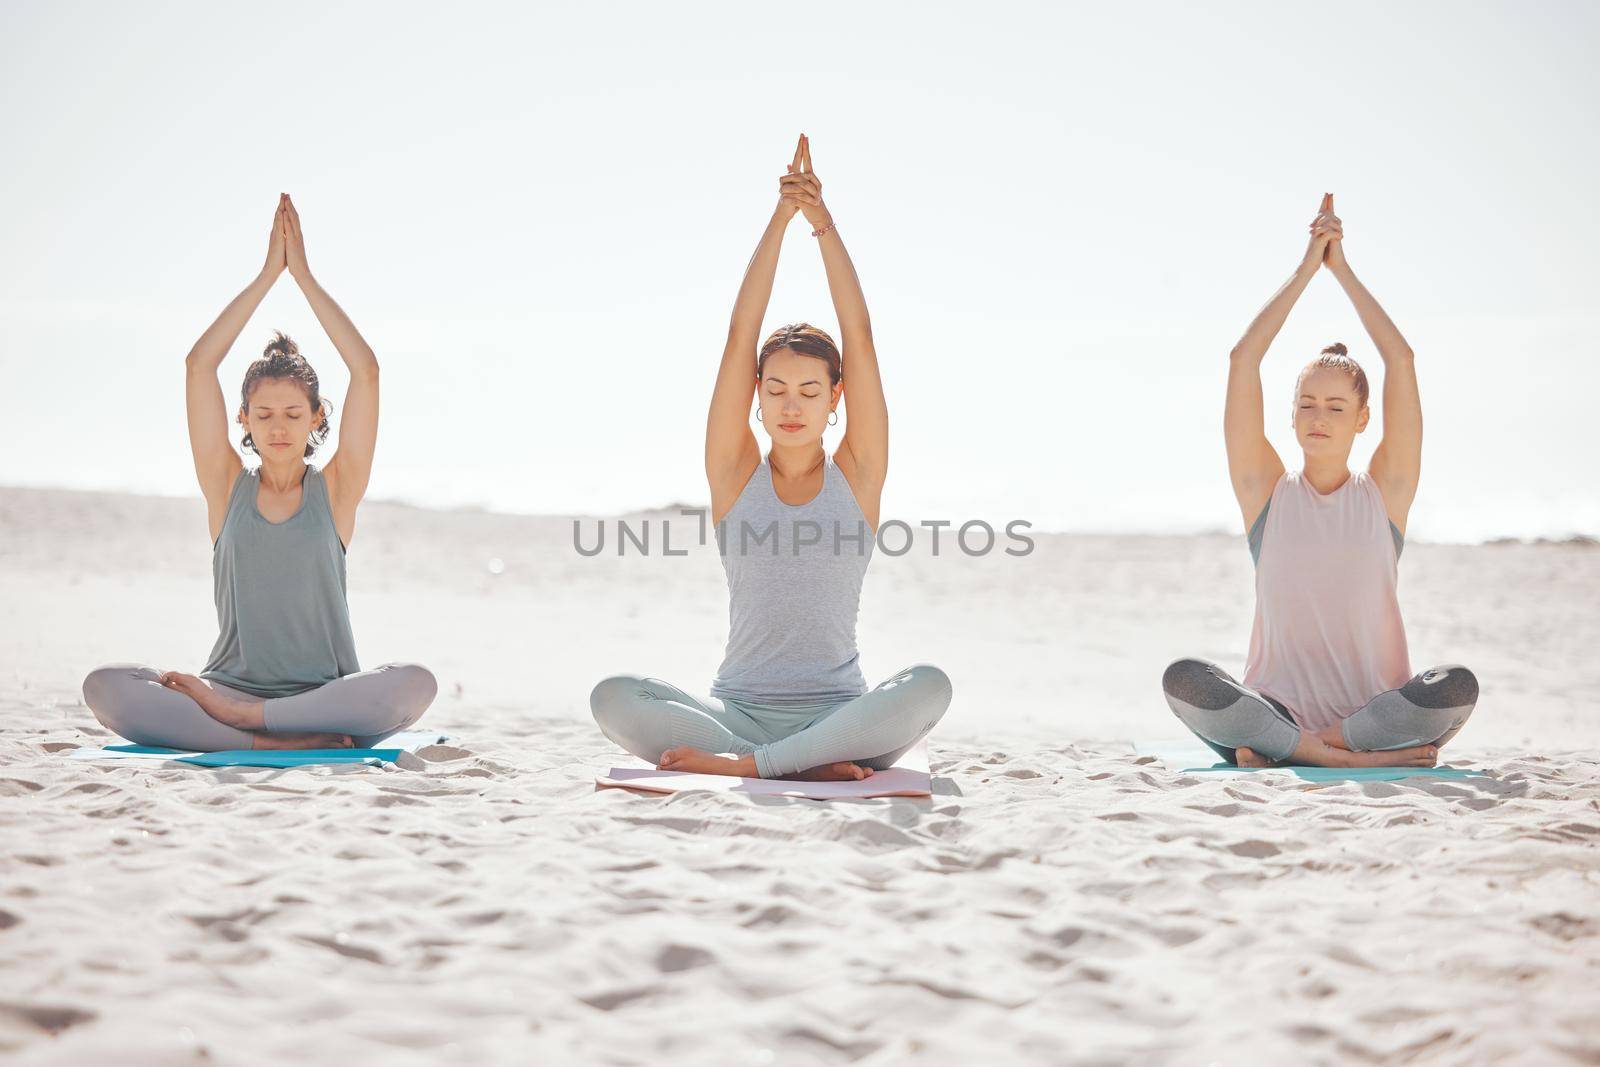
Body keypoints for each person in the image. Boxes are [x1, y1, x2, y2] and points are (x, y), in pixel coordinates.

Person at [591, 135, 952, 781]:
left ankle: (753, 769)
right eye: (777, 389)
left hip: (843, 714)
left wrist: (821, 224)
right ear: (756, 396)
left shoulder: (859, 473)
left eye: (810, 390)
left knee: (930, 684)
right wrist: (779, 218)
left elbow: (861, 339)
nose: (792, 405)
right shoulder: (734, 473)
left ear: (834, 397)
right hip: (736, 716)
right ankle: (793, 763)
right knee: (613, 693)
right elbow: (738, 336)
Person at [82, 194, 437, 751]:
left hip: (325, 693)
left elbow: (365, 369)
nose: (278, 428)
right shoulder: (226, 486)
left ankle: (252, 722)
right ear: (242, 418)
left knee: (416, 682)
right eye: (264, 414)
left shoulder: (337, 490)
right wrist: (268, 274)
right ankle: (271, 736)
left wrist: (304, 277)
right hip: (227, 689)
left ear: (318, 417)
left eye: (294, 414)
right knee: (105, 686)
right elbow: (199, 364)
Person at [1162, 194, 1479, 769]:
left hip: (1372, 717)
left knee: (1456, 685)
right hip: (1276, 711)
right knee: (1183, 679)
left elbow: (1400, 359)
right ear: (1291, 416)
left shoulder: (1385, 492)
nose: (1317, 417)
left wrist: (1342, 270)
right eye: (1306, 404)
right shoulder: (1266, 492)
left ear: (1362, 419)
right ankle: (1337, 755)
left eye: (1335, 407)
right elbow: (1242, 360)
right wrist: (1308, 267)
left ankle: (1322, 746)